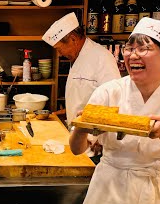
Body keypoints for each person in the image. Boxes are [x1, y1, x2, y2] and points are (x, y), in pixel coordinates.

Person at [70, 17, 160, 204]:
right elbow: (77, 149)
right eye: (129, 48)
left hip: (156, 197)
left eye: (144, 48)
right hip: (108, 190)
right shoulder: (109, 91)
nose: (132, 55)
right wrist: (81, 128)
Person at [43, 12, 121, 159]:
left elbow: (114, 104)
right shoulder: (78, 57)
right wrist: (59, 114)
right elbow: (83, 98)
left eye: (60, 49)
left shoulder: (101, 58)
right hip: (78, 140)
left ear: (72, 39)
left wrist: (94, 138)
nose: (59, 54)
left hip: (94, 146)